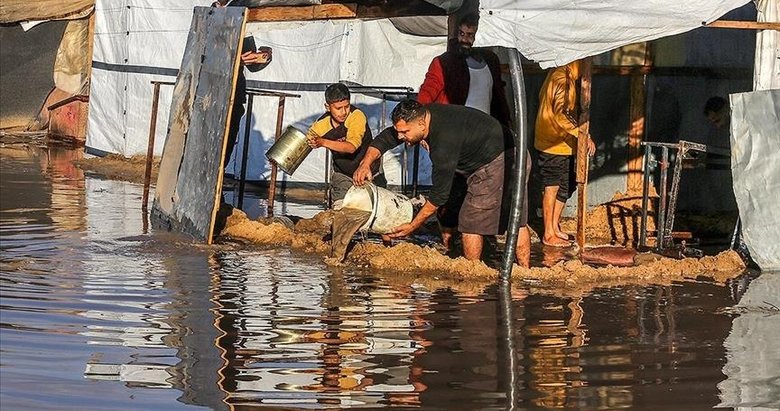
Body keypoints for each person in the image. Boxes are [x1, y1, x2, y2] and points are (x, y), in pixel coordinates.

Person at [353, 100, 531, 267]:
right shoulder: (425, 115)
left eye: (405, 132)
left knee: (471, 220)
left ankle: (472, 272)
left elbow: (438, 196)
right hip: (510, 152)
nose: (400, 136)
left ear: (422, 125)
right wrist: (365, 164)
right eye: (398, 131)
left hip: (500, 161)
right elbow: (385, 138)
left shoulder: (443, 142)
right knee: (512, 217)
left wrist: (412, 226)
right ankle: (524, 270)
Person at [417, 12, 512, 252]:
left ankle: (475, 236)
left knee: (481, 189)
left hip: (484, 138)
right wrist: (424, 129)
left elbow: (498, 96)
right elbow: (427, 93)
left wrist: (506, 125)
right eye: (462, 34)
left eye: (470, 35)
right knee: (451, 189)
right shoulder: (444, 62)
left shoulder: (490, 60)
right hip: (453, 136)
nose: (465, 39)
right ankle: (448, 240)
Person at [534, 60, 595, 247]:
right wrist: (582, 134)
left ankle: (554, 226)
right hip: (553, 143)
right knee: (552, 185)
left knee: (566, 185)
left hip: (563, 143)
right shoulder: (561, 79)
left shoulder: (562, 76)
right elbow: (560, 114)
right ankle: (548, 233)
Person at [213, 1, 273, 170]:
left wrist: (264, 56)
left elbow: (252, 64)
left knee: (225, 149)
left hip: (233, 97)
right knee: (204, 146)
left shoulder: (240, 13)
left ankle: (218, 179)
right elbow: (203, 57)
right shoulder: (206, 17)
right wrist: (234, 59)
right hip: (209, 96)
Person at [307, 83, 385, 205]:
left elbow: (351, 147)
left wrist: (323, 142)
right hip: (343, 174)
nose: (343, 112)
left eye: (347, 106)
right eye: (338, 108)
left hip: (370, 169)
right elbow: (303, 143)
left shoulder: (356, 116)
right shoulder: (321, 125)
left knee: (376, 207)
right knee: (341, 208)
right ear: (328, 107)